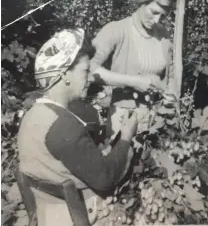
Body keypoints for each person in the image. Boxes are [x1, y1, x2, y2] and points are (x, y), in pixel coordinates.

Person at [17, 28, 137, 226]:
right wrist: (125, 138)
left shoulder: (33, 115)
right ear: (65, 75)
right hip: (78, 217)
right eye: (85, 71)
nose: (90, 78)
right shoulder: (64, 126)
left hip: (48, 214)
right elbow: (106, 178)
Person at [90, 0, 176, 137]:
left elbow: (170, 75)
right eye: (154, 12)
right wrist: (132, 81)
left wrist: (169, 96)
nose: (157, 20)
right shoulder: (117, 30)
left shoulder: (163, 35)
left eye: (163, 16)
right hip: (122, 117)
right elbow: (89, 69)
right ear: (142, 2)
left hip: (154, 119)